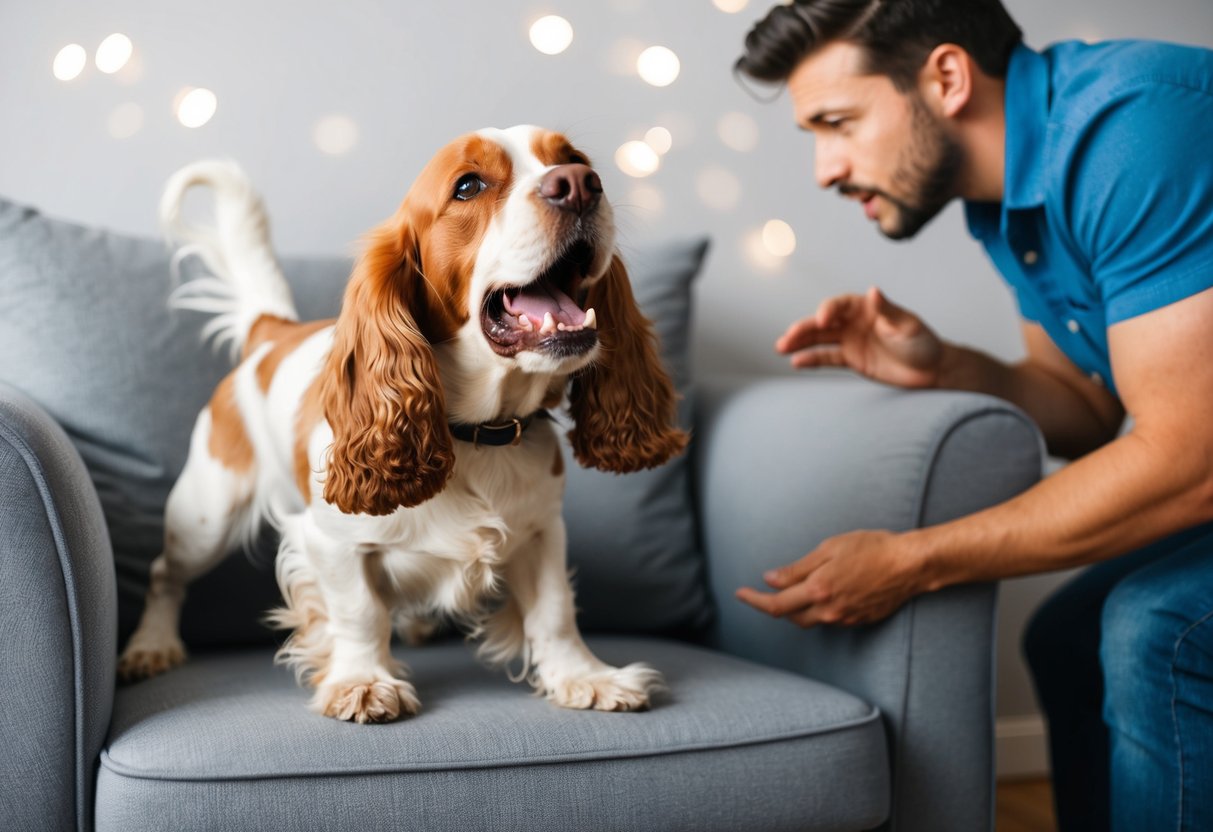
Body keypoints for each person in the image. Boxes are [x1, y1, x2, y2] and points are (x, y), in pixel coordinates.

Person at [730, 1, 1213, 830]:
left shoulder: (1134, 127)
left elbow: (1190, 462)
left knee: (1153, 630)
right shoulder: (1002, 197)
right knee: (1063, 635)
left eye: (837, 122)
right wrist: (948, 368)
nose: (824, 168)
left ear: (947, 78)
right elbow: (1093, 413)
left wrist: (913, 561)